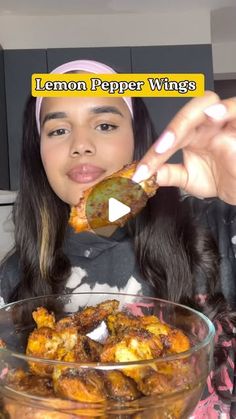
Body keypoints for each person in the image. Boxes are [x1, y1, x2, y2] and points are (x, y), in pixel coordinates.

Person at [0, 59, 235, 417]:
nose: (81, 144)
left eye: (105, 124)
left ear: (136, 138)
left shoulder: (216, 226)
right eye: (58, 130)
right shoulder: (13, 277)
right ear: (39, 154)